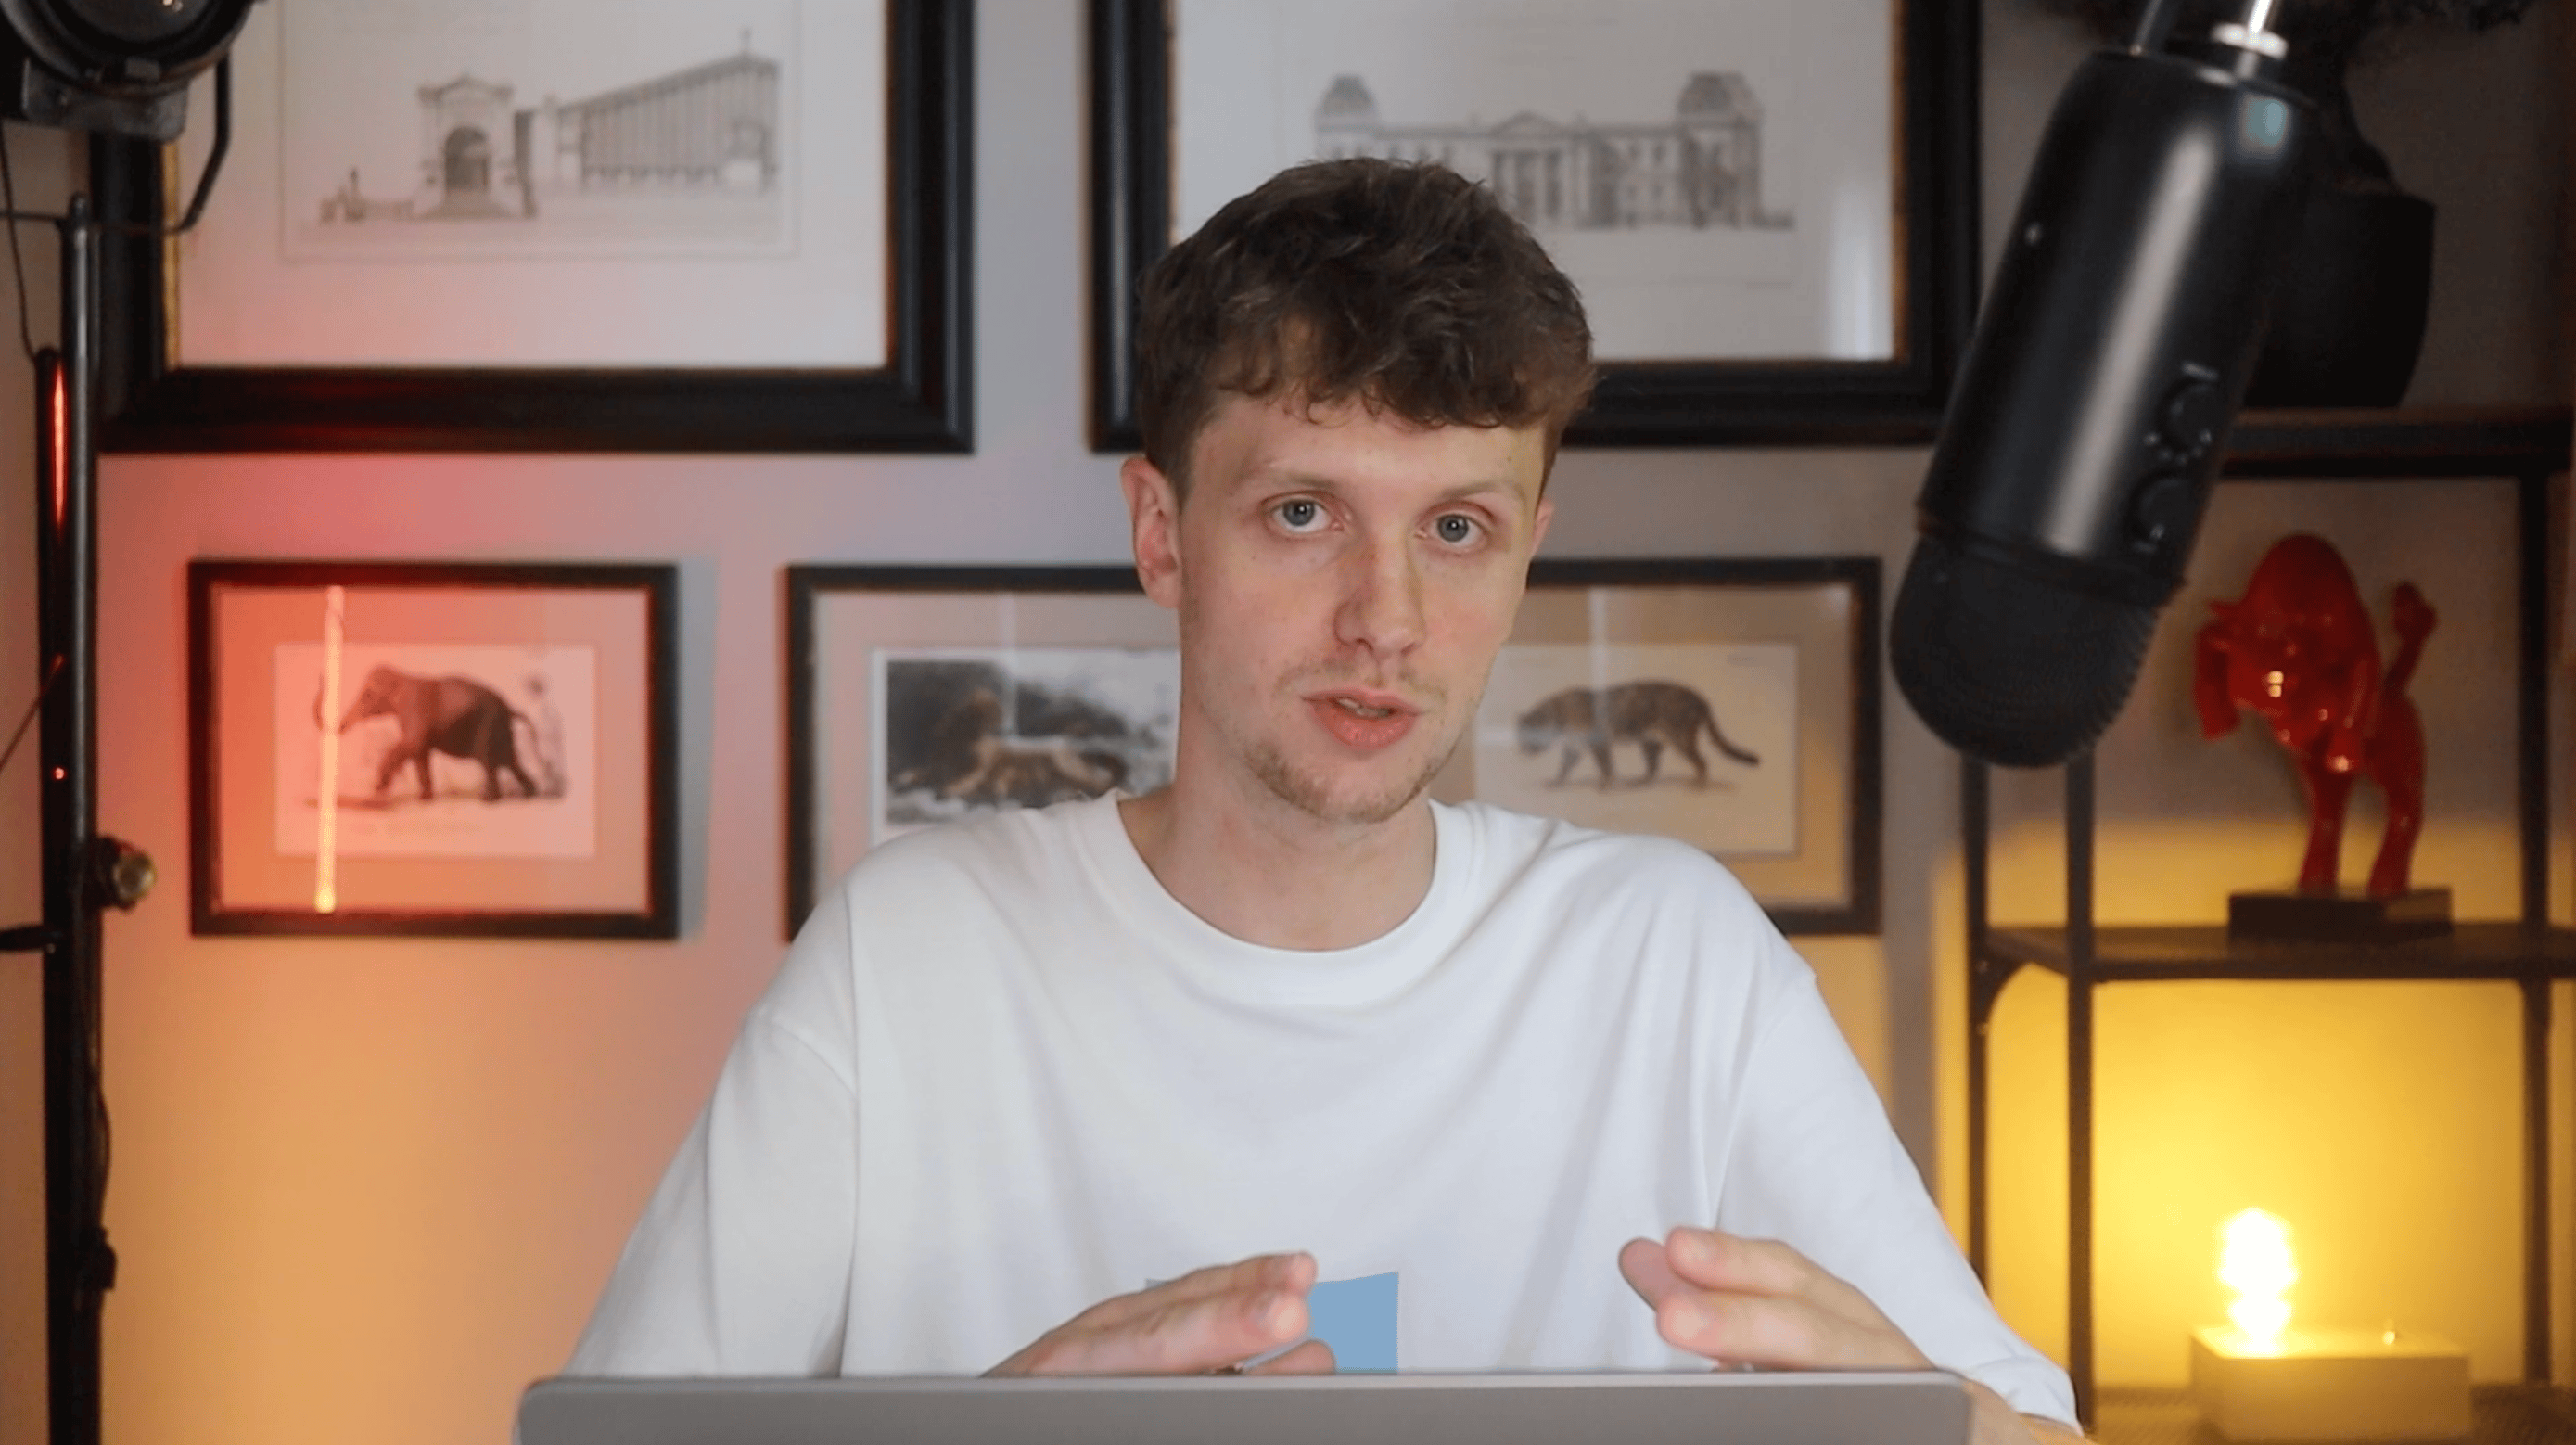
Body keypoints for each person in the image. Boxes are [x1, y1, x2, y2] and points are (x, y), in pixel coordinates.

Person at [567, 157, 2082, 1444]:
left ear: (1529, 548)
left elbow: (2032, 1432)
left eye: (1458, 528)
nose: (1388, 619)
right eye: (1304, 513)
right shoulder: (906, 960)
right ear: (1162, 533)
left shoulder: (1675, 958)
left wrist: (1950, 1430)